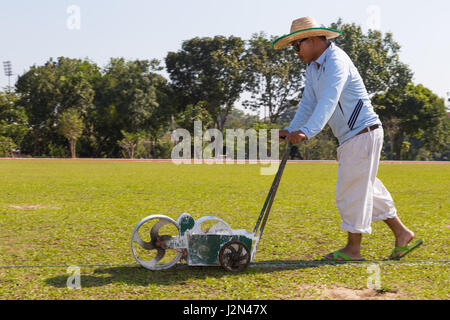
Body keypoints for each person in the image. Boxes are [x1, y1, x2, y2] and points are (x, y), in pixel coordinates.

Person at [273, 17, 423, 261]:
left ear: (311, 40)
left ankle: (353, 250)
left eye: (296, 46)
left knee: (350, 191)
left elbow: (329, 99)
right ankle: (402, 233)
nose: (295, 52)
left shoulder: (337, 62)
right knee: (367, 190)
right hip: (351, 138)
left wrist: (307, 131)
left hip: (362, 133)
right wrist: (292, 128)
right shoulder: (313, 68)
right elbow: (309, 103)